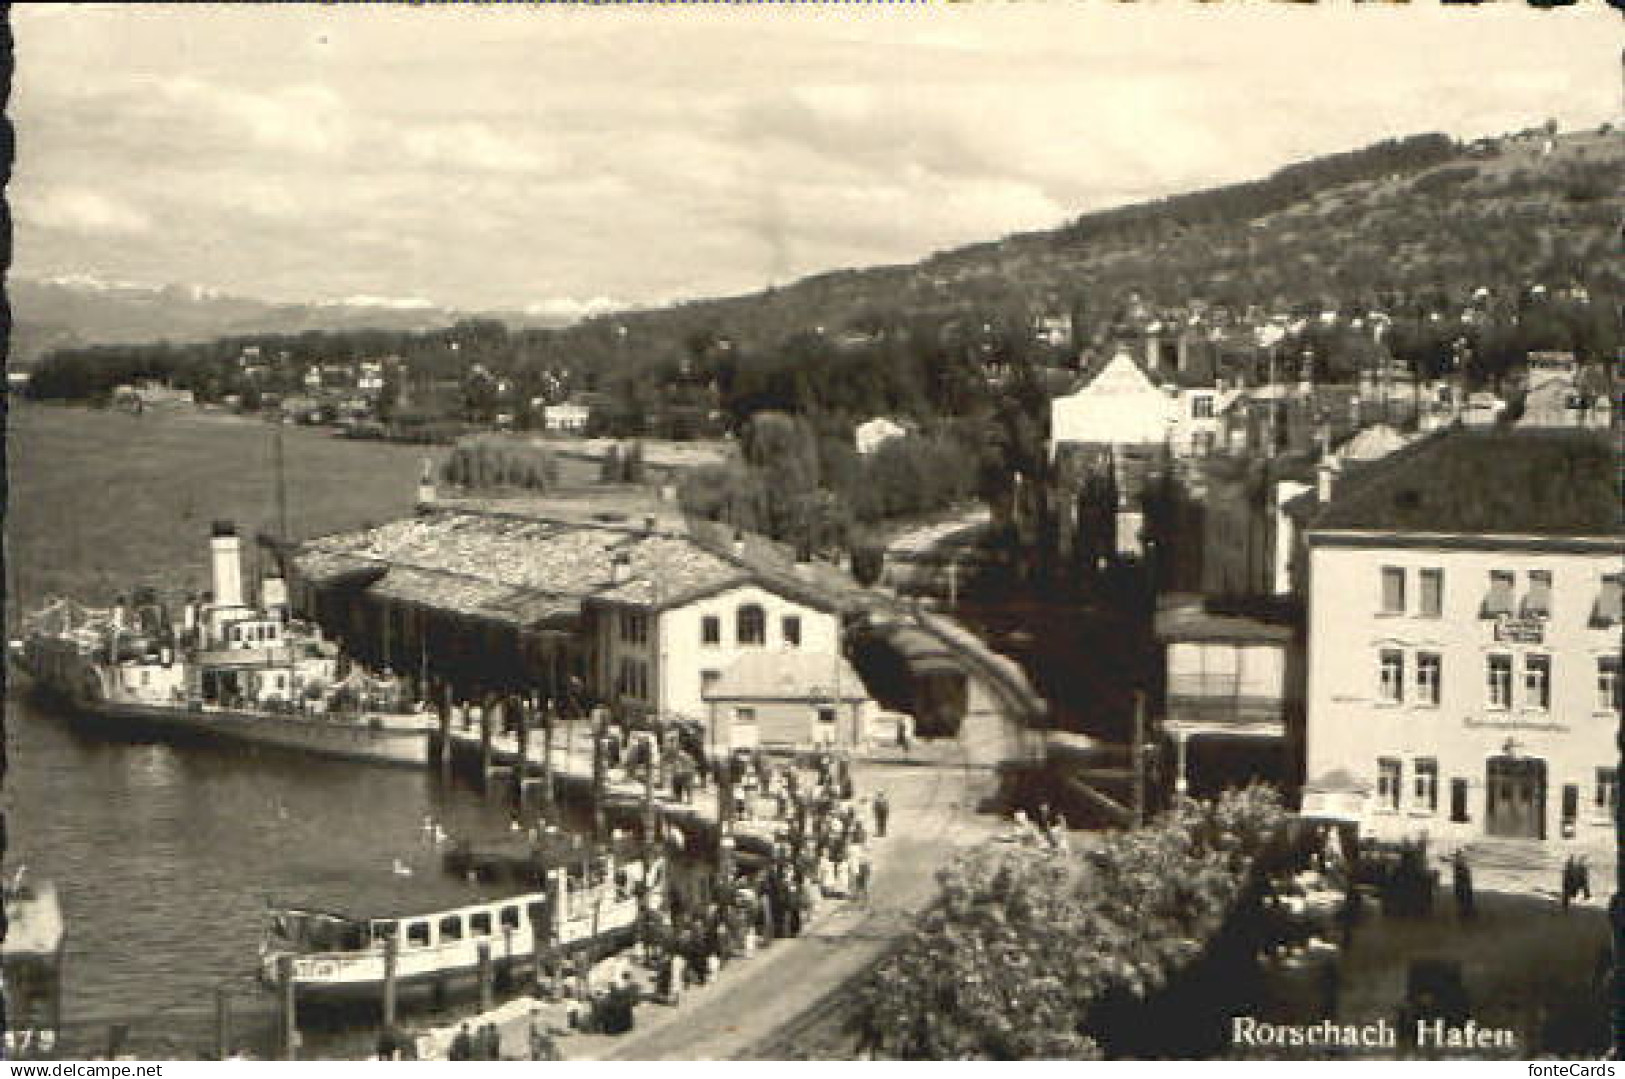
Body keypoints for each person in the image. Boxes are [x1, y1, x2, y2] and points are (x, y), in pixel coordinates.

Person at [1451, 849, 1475, 919]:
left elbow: (1459, 871)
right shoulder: (1461, 861)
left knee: (1460, 896)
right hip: (1464, 880)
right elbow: (1466, 871)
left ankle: (1464, 911)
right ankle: (1467, 910)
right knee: (1466, 896)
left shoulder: (1457, 861)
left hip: (1461, 880)